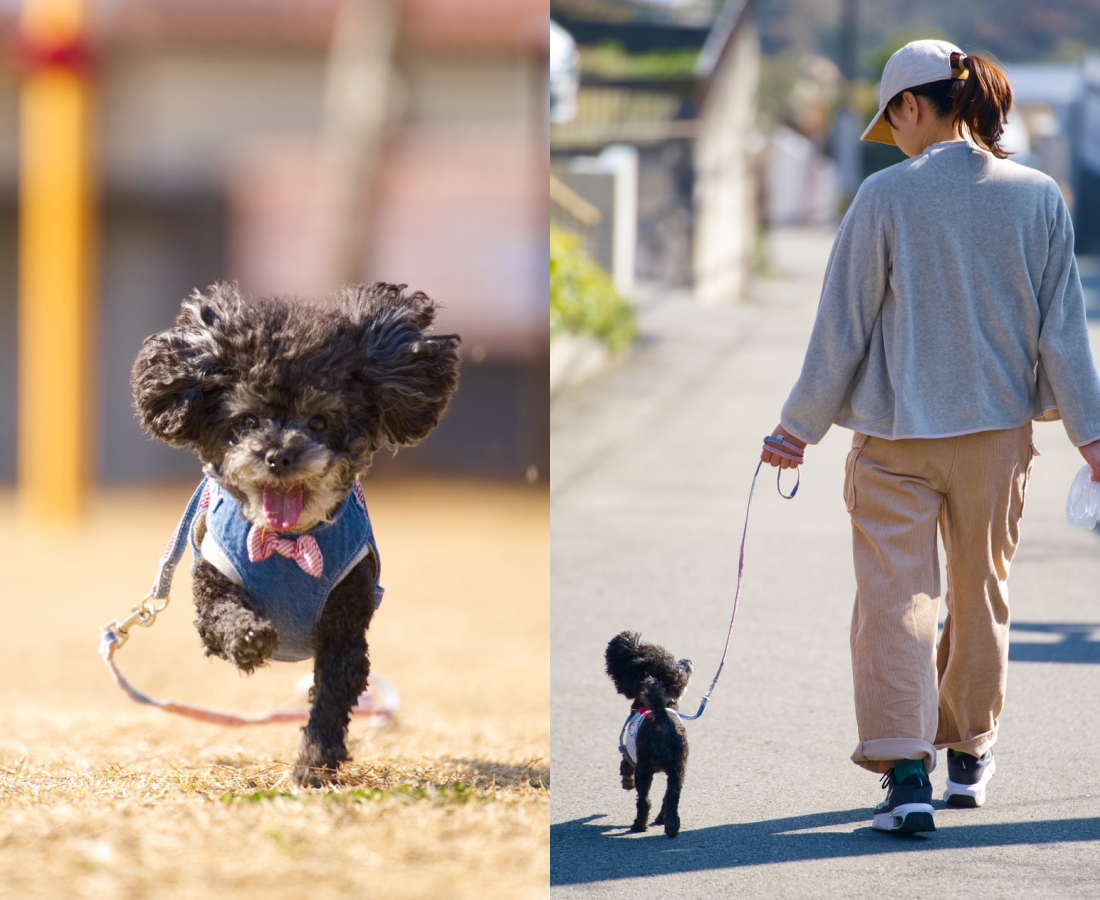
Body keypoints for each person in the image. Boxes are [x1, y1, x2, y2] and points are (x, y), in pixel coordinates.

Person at [762, 39, 1100, 834]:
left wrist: (796, 428)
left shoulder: (885, 198)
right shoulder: (1040, 196)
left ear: (912, 105)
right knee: (981, 596)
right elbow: (1065, 335)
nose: (896, 136)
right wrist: (1092, 437)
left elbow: (840, 328)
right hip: (996, 437)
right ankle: (969, 757)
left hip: (894, 438)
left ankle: (906, 772)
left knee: (895, 599)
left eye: (894, 120)